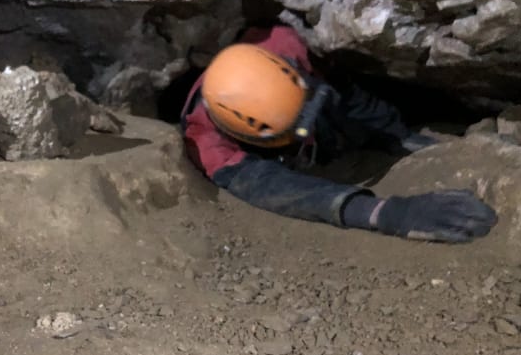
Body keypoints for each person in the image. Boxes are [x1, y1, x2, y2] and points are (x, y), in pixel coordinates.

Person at [180, 24, 497, 243]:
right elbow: (272, 187)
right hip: (294, 148)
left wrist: (396, 134)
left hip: (322, 109)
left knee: (336, 107)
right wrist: (381, 212)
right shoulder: (208, 144)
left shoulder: (285, 47)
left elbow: (349, 94)